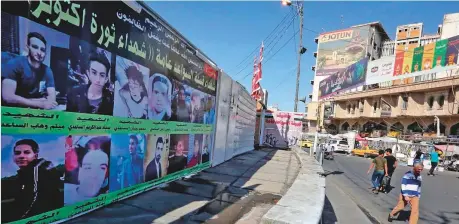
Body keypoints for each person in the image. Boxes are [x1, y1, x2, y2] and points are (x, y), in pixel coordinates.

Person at [9, 139, 62, 221]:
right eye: (17, 153)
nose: (21, 156)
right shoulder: (24, 173)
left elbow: (34, 201)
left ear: (35, 155)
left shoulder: (37, 170)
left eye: (27, 152)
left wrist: (19, 220)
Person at [2, 32, 57, 109]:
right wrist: (40, 103)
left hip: (33, 111)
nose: (39, 53)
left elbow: (52, 99)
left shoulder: (47, 70)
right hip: (15, 111)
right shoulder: (14, 63)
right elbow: (7, 97)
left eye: (42, 50)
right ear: (28, 47)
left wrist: (27, 101)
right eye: (35, 47)